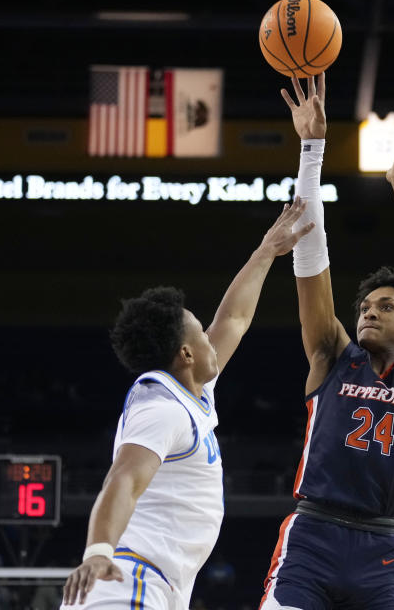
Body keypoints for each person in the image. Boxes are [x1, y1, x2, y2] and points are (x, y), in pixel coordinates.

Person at [260, 73, 394, 609]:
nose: (369, 313)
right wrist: (312, 150)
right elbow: (309, 257)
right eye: (365, 307)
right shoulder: (332, 355)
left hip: (378, 547)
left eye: (386, 307)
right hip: (312, 537)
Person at [61, 199, 316, 609]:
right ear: (186, 353)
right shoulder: (160, 407)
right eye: (201, 331)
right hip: (128, 580)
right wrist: (98, 551)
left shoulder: (192, 391)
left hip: (156, 583)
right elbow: (124, 478)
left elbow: (234, 318)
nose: (211, 335)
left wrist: (266, 250)